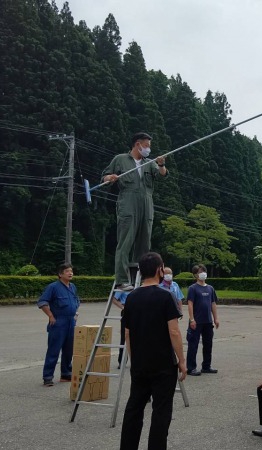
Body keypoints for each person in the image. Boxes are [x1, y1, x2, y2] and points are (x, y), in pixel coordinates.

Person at [120, 252, 186, 450]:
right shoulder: (166, 296)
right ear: (160, 270)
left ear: (140, 271)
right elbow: (174, 331)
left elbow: (128, 334)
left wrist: (133, 360)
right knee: (161, 411)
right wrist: (182, 361)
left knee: (134, 408)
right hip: (163, 364)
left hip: (140, 363)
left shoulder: (131, 298)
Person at [102, 132, 168, 291]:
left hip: (147, 201)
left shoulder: (150, 162)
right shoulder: (120, 159)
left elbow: (162, 175)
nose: (148, 149)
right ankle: (122, 279)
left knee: (145, 242)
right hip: (128, 201)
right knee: (125, 241)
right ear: (137, 144)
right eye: (146, 145)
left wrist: (161, 164)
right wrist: (110, 177)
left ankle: (145, 276)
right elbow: (104, 177)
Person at [37, 263, 81, 387]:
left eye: (71, 271)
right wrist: (50, 316)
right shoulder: (53, 287)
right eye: (67, 271)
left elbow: (76, 300)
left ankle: (66, 374)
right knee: (54, 350)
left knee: (69, 349)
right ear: (60, 274)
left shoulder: (72, 286)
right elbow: (42, 301)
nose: (70, 273)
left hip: (71, 321)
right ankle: (48, 377)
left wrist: (76, 312)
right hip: (58, 322)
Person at [185, 264, 220, 376]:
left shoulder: (210, 288)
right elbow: (190, 304)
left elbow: (213, 303)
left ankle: (206, 366)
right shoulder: (193, 288)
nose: (203, 273)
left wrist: (216, 318)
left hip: (208, 321)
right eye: (200, 271)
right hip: (196, 321)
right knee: (193, 344)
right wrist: (191, 319)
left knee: (208, 344)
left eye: (204, 271)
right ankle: (191, 368)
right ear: (195, 274)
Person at [110, 290, 129, 369]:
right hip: (126, 310)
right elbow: (113, 299)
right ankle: (121, 361)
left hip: (137, 310)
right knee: (124, 337)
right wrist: (123, 307)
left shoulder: (137, 284)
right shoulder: (124, 286)